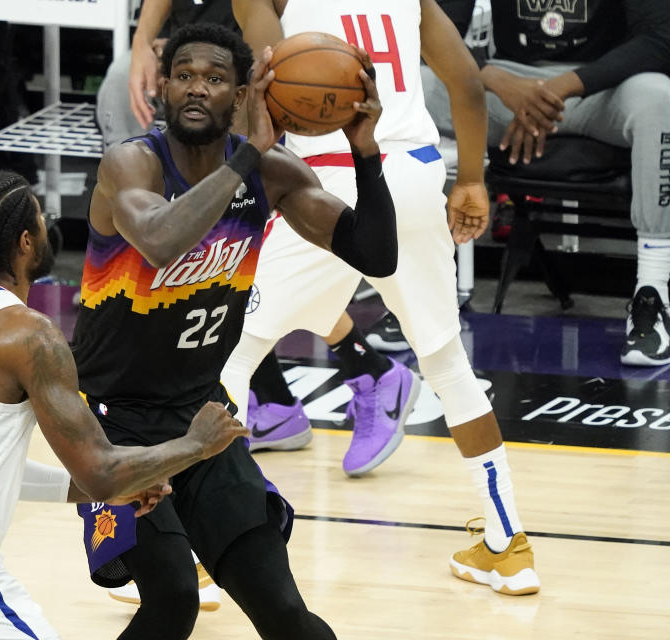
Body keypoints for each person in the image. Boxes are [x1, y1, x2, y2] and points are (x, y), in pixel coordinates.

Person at [71, 22, 396, 640]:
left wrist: (365, 148)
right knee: (172, 602)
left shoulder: (273, 174)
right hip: (114, 422)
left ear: (243, 92)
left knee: (285, 614)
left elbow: (376, 255)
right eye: (186, 75)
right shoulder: (131, 165)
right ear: (163, 86)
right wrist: (246, 152)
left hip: (205, 416)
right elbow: (163, 240)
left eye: (216, 78)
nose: (198, 88)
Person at [0, 170, 249, 639]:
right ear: (26, 242)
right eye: (41, 216)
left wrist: (100, 491)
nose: (47, 223)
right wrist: (197, 444)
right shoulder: (29, 334)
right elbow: (101, 469)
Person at [225, 0, 540, 595]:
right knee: (447, 362)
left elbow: (263, 94)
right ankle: (508, 545)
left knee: (230, 358)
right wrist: (471, 178)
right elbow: (466, 82)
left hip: (323, 180)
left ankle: (199, 547)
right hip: (414, 171)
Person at [422, 0, 670, 366]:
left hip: (601, 86)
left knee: (660, 100)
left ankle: (652, 294)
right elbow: (428, 30)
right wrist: (493, 78)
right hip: (504, 86)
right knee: (416, 88)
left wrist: (561, 87)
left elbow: (659, 41)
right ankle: (415, 292)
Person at [97, 0, 241, 148]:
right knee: (123, 75)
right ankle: (127, 161)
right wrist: (145, 44)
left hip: (236, 62)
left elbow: (258, 48)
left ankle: (229, 163)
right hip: (178, 51)